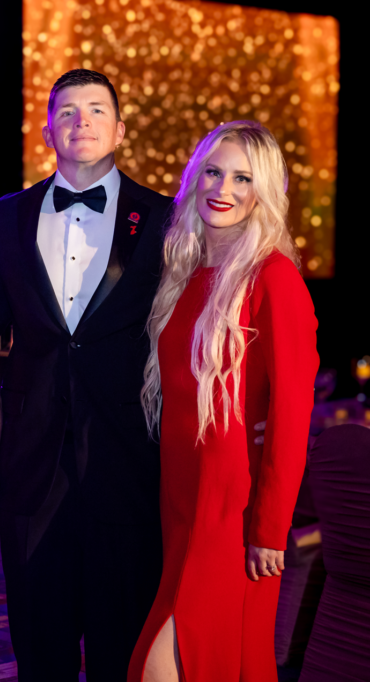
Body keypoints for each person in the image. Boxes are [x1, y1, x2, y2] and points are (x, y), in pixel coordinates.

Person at [0, 69, 173, 681]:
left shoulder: (165, 217)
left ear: (119, 128)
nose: (81, 121)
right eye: (67, 110)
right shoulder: (6, 215)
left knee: (123, 642)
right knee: (39, 644)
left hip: (128, 462)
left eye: (96, 110)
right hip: (32, 465)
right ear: (47, 129)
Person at [128, 121, 318, 682]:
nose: (224, 188)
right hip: (182, 500)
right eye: (214, 172)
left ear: (264, 192)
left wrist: (269, 529)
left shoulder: (274, 278)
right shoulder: (184, 274)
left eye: (243, 178)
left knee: (163, 666)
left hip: (233, 509)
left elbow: (291, 413)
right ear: (194, 178)